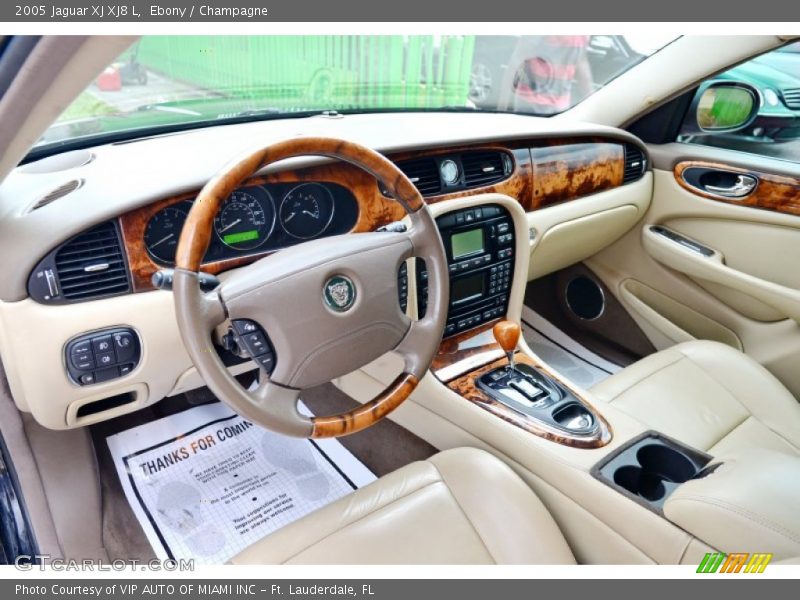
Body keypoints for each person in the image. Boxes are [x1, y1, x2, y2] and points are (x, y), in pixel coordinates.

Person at [498, 35, 593, 115]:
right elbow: (516, 62)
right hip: (530, 108)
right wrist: (501, 111)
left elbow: (581, 62)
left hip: (560, 111)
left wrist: (592, 105)